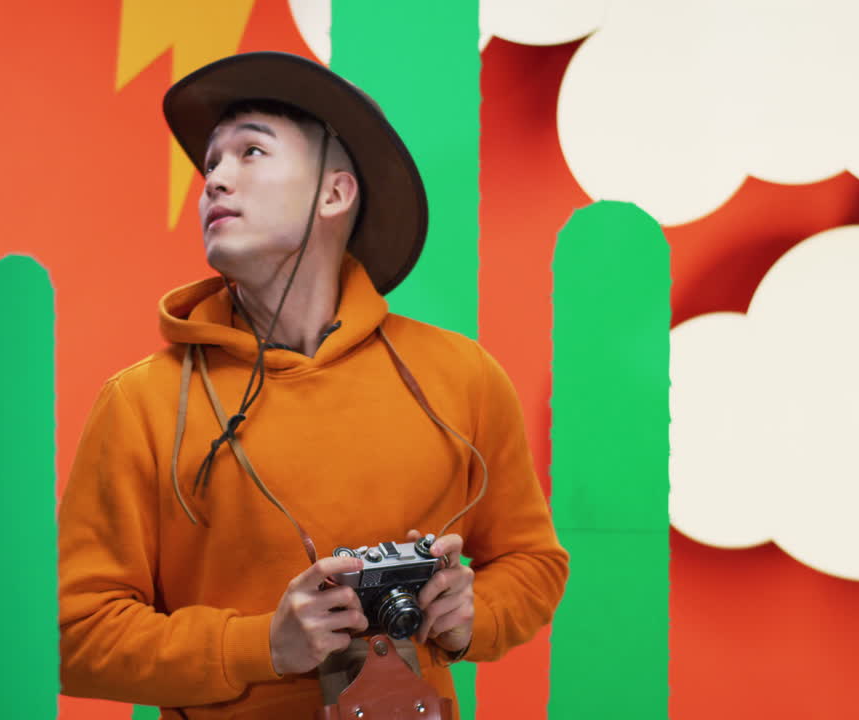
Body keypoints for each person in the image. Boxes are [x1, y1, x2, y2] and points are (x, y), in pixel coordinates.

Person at [57, 52, 568, 719]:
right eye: (210, 163)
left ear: (334, 193)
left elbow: (533, 562)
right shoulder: (140, 404)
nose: (214, 180)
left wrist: (471, 615)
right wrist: (259, 646)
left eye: (249, 152)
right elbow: (72, 634)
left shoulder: (461, 376)